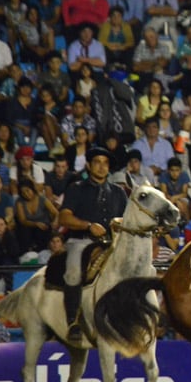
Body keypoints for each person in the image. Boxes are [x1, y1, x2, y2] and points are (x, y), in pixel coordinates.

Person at [58, 147, 127, 342]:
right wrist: (88, 225)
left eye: (105, 163)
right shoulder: (76, 188)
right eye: (97, 162)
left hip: (111, 244)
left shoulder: (119, 192)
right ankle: (73, 321)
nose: (102, 166)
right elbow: (63, 217)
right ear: (88, 165)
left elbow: (127, 219)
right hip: (81, 241)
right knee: (72, 271)